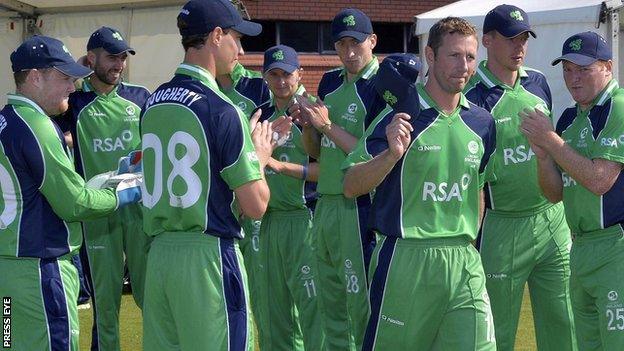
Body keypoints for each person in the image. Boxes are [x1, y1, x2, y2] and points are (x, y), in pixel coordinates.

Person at [140, 0, 289, 349]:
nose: (240, 49)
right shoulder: (222, 108)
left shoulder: (152, 102)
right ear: (216, 35)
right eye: (235, 38)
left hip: (159, 256)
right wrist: (261, 155)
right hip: (207, 257)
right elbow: (255, 206)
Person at [343, 18, 497, 350]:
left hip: (463, 261)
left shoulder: (482, 123)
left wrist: (468, 242)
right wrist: (391, 155)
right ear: (430, 55)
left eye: (470, 57)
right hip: (405, 259)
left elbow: (478, 188)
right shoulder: (399, 117)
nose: (464, 66)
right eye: (454, 56)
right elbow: (351, 184)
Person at [0, 35, 141, 351]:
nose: (73, 86)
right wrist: (123, 192)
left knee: (8, 342)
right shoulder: (37, 126)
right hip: (41, 271)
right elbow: (75, 203)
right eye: (64, 77)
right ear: (35, 77)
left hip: (8, 274)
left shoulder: (6, 121)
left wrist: (102, 181)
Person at [464, 5, 577, 350]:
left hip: (552, 221)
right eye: (511, 39)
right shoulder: (472, 98)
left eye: (524, 38)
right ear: (487, 41)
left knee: (565, 322)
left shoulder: (539, 82)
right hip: (502, 227)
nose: (520, 47)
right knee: (496, 330)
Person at [520, 31, 624, 351]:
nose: (573, 78)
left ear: (607, 67)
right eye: (567, 69)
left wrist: (551, 140)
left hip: (616, 248)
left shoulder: (617, 108)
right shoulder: (569, 118)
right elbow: (555, 193)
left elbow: (599, 180)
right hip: (580, 249)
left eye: (583, 69)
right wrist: (542, 157)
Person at [289, 8, 386, 350]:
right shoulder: (330, 81)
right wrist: (307, 125)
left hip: (358, 206)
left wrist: (327, 124)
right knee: (330, 303)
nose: (348, 52)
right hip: (324, 203)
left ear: (372, 41)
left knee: (359, 306)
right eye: (341, 44)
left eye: (355, 43)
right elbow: (316, 151)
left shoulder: (382, 85)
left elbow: (375, 154)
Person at [55, 26, 151, 351]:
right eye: (112, 56)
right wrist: (80, 74)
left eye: (123, 56)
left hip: (139, 210)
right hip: (97, 215)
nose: (119, 64)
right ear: (92, 58)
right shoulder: (75, 104)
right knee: (106, 305)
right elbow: (45, 115)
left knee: (150, 298)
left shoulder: (141, 98)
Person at [251, 44, 323, 350]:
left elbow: (329, 170)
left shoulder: (315, 109)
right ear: (265, 76)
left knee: (313, 312)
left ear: (300, 74)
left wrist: (277, 163)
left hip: (304, 221)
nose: (281, 82)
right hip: (268, 223)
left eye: (287, 75)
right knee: (270, 312)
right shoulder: (259, 116)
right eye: (274, 75)